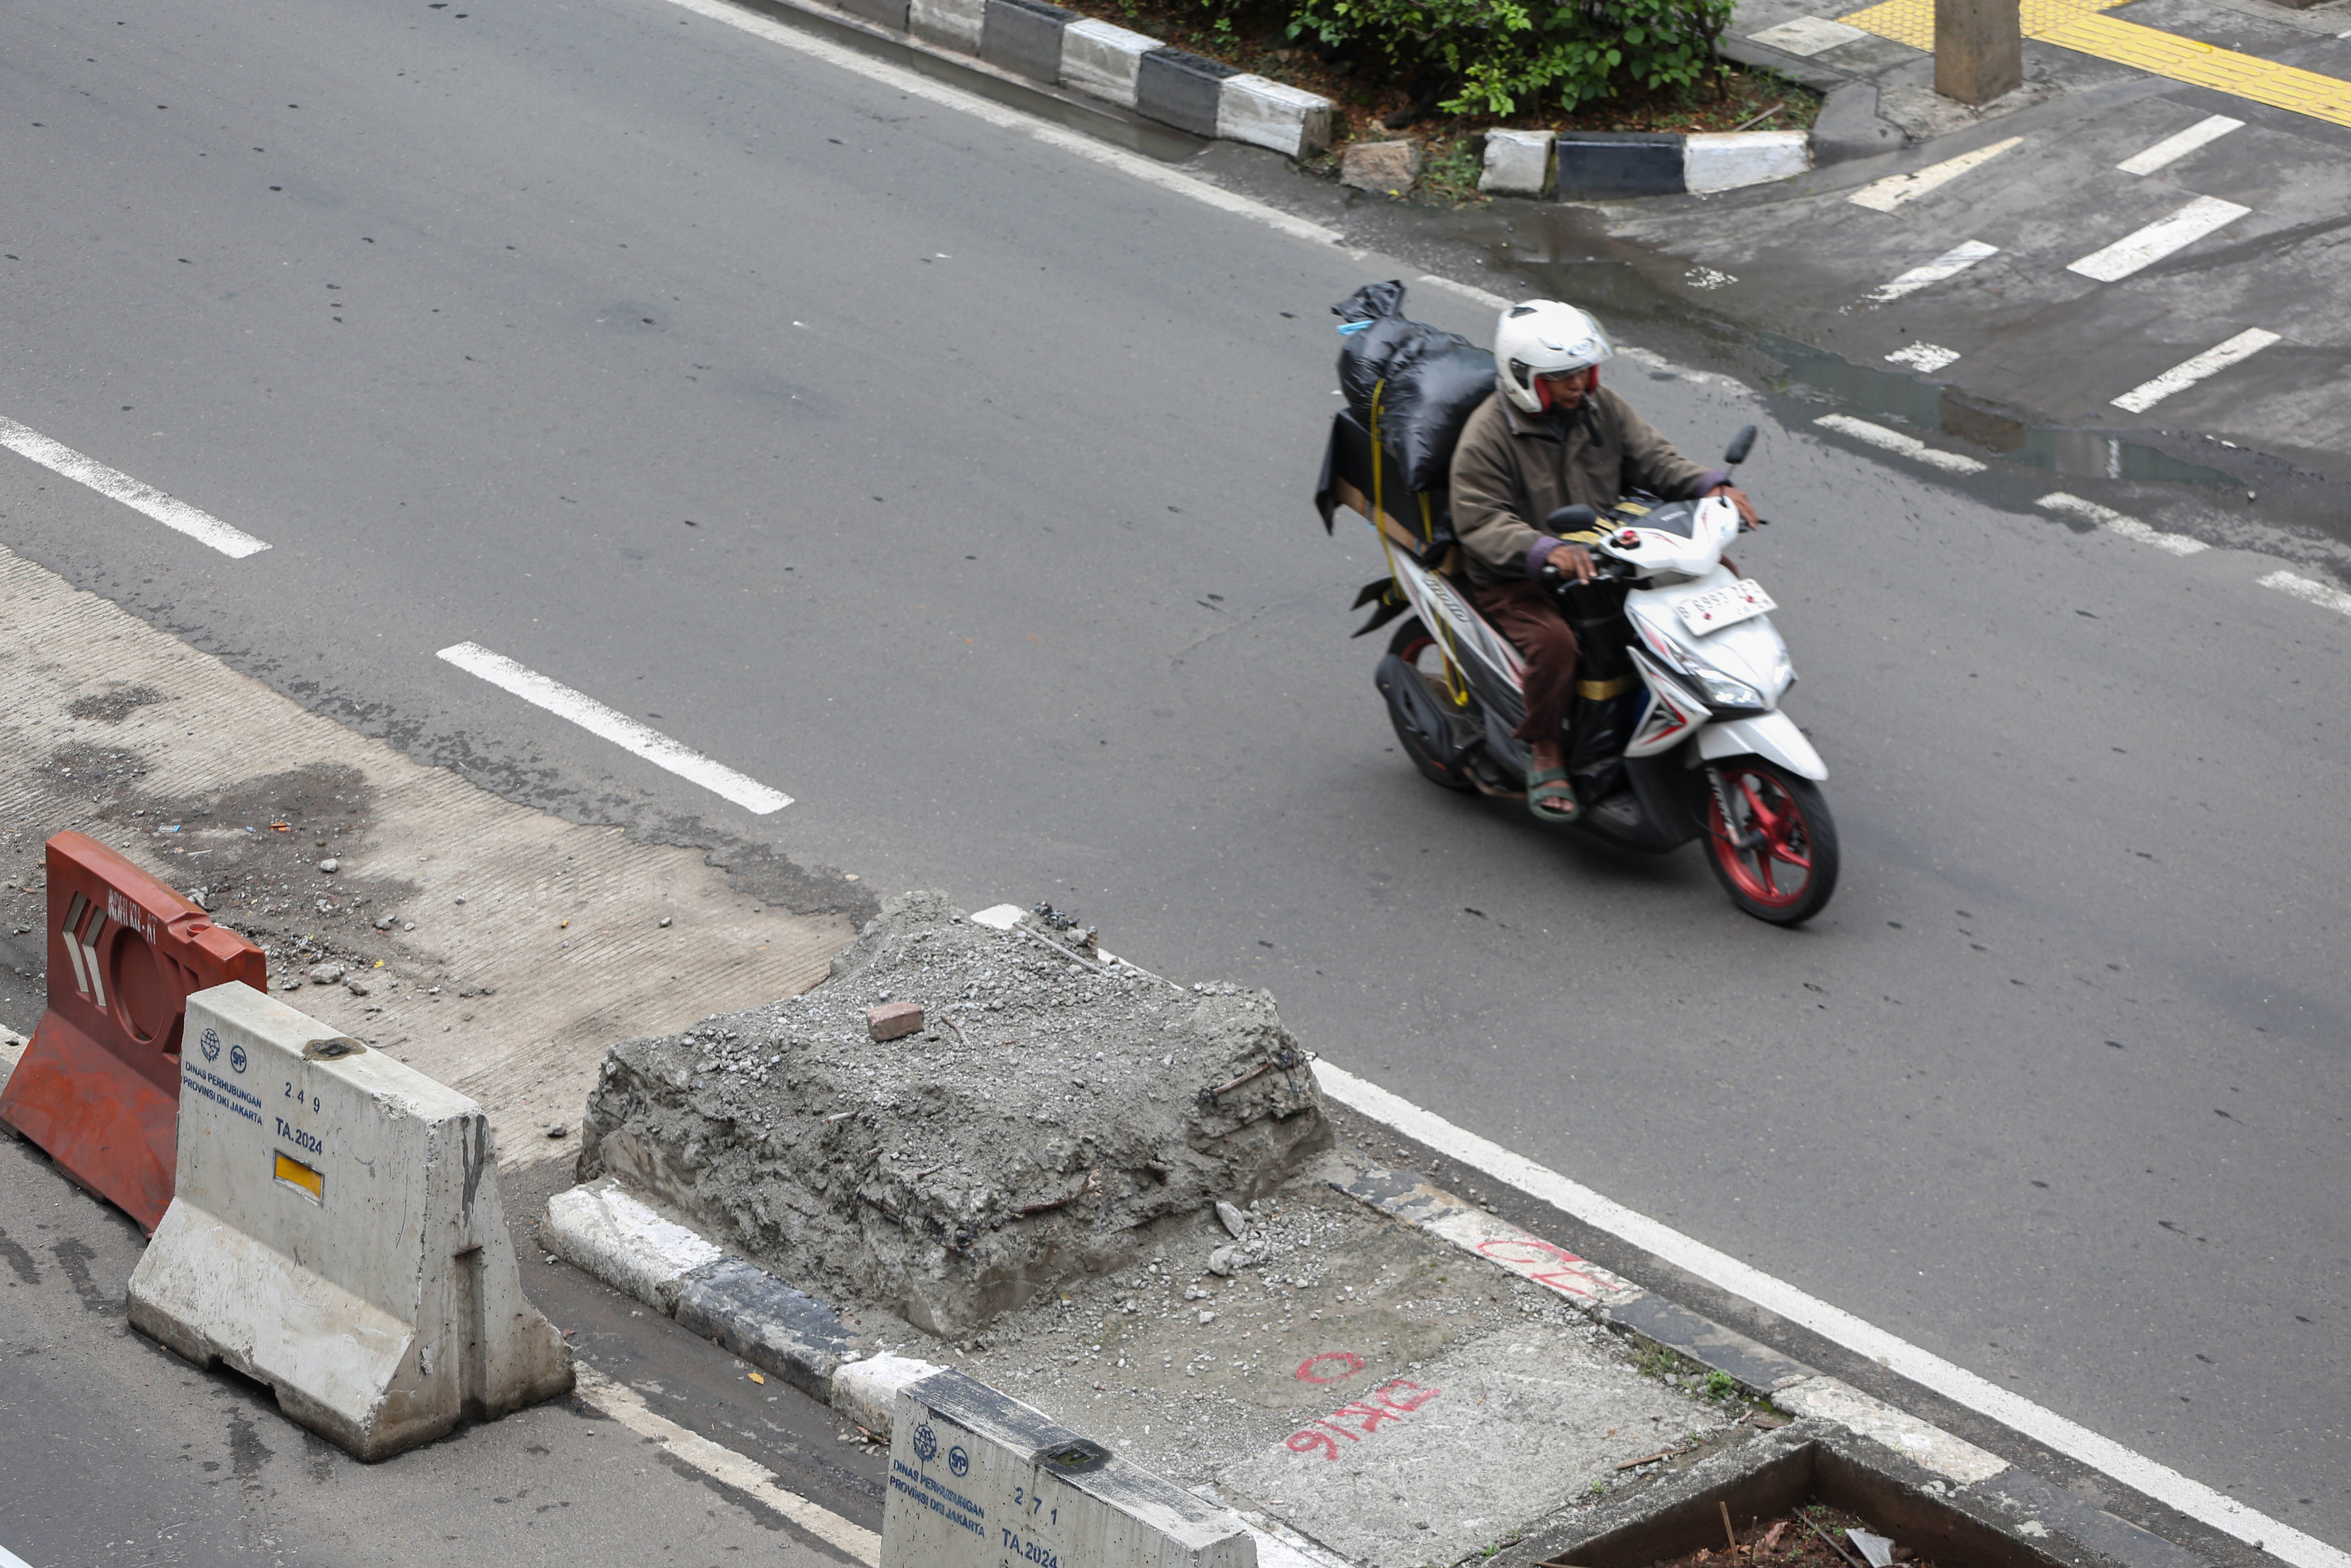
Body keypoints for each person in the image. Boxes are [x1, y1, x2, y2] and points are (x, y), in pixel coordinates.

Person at [1448, 300, 1757, 824]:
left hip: (1605, 554)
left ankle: (1729, 690)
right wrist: (1545, 550)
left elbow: (1654, 458)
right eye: (1563, 378)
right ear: (1525, 379)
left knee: (1713, 575)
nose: (1578, 386)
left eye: (1584, 373)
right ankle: (1545, 751)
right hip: (1521, 578)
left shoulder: (1600, 408)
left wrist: (1712, 486)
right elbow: (1479, 522)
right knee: (1556, 645)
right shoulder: (1488, 437)